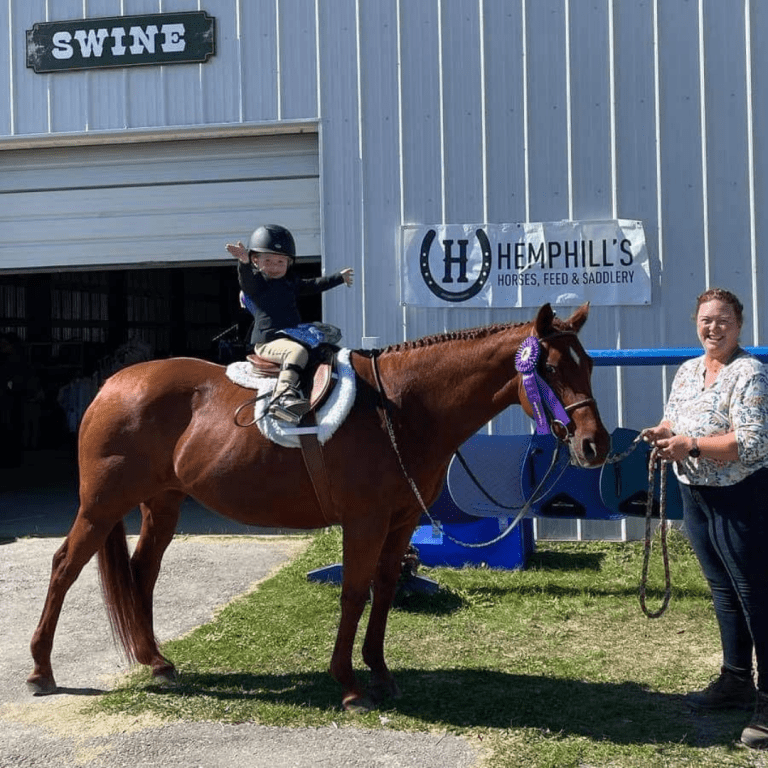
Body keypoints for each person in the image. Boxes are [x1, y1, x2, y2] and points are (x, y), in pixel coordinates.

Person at [643, 288, 768, 750]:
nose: (713, 328)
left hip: (741, 497)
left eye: (723, 320)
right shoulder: (687, 371)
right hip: (695, 496)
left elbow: (753, 442)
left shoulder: (750, 373)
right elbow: (674, 420)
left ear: (739, 325)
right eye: (706, 320)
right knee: (723, 592)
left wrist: (691, 445)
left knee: (756, 597)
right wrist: (663, 432)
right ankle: (736, 679)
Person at [226, 224, 354, 424]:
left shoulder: (290, 282)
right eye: (268, 261)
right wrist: (243, 262)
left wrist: (339, 278)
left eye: (280, 261)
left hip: (292, 335)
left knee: (327, 350)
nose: (275, 267)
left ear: (289, 262)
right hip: (268, 341)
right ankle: (282, 398)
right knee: (296, 352)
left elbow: (313, 285)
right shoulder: (257, 284)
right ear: (255, 260)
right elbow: (247, 280)